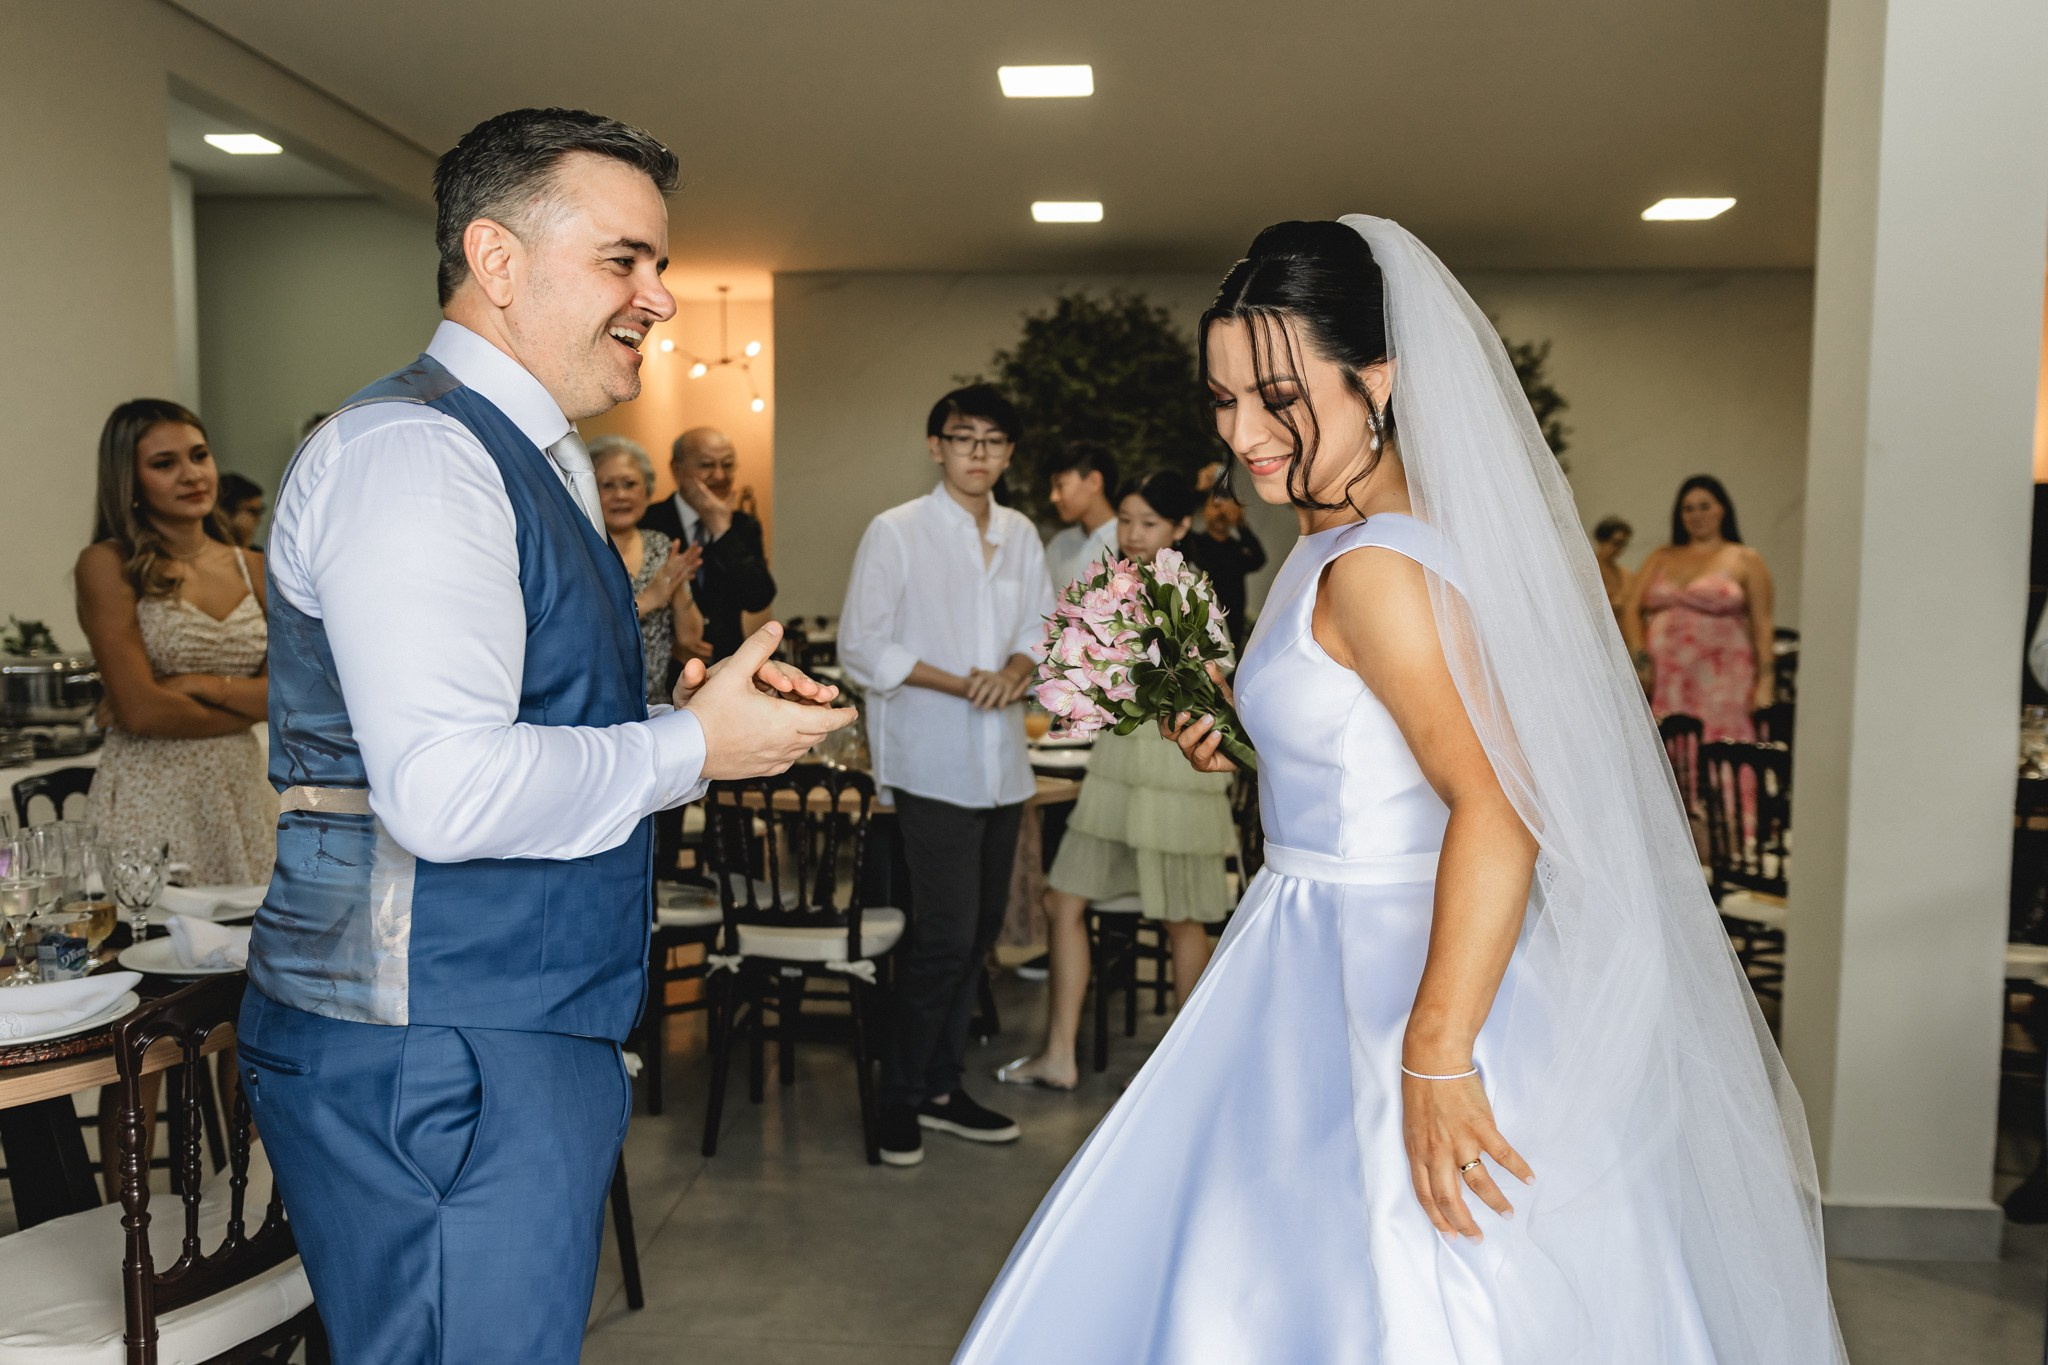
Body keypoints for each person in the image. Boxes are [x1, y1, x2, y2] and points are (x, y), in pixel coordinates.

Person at [953, 219, 1843, 1363]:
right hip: (1310, 945)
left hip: (1385, 970)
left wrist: (1434, 1054)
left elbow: (1496, 804)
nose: (1242, 436)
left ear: (1375, 380)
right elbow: (1376, 753)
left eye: (1277, 397)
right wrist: (1247, 729)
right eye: (1222, 401)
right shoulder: (1343, 538)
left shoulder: (1378, 565)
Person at [235, 108, 853, 1365]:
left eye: (659, 266)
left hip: (513, 1019)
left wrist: (679, 718)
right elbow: (447, 793)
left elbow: (513, 729)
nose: (661, 299)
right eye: (625, 261)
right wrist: (691, 753)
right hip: (436, 1041)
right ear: (496, 258)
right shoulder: (415, 454)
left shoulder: (534, 457)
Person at [839, 383, 1055, 1167]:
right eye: (965, 439)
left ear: (1008, 453)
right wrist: (964, 680)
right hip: (931, 760)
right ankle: (900, 1095)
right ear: (938, 446)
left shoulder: (1022, 530)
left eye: (995, 442)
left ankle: (941, 1085)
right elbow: (861, 648)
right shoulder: (896, 531)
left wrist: (1017, 667)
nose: (979, 455)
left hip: (1003, 764)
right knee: (941, 936)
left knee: (978, 940)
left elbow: (1044, 626)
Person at [994, 470, 1236, 1092]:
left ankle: (1188, 1073)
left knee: (1182, 919)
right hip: (1118, 764)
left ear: (1180, 528)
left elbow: (1217, 682)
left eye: (1147, 523)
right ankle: (1059, 1056)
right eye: (1125, 519)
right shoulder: (1110, 585)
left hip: (1179, 767)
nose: (1131, 533)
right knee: (1062, 898)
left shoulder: (1192, 589)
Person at [75, 400, 274, 884]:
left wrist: (195, 684)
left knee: (257, 950)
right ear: (131, 481)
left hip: (243, 792)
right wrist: (251, 701)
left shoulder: (255, 568)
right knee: (152, 946)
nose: (192, 475)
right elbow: (143, 713)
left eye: (199, 455)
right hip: (151, 796)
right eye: (165, 464)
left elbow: (299, 695)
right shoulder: (108, 564)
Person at [1620, 476, 1776, 741]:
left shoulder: (1745, 559)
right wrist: (1640, 658)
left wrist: (1766, 682)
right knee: (1667, 745)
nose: (1696, 515)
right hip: (1665, 677)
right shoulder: (1661, 556)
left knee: (1719, 748)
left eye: (1705, 506)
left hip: (1724, 676)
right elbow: (1631, 607)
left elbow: (1763, 623)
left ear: (1722, 509)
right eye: (1688, 508)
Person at [639, 425, 776, 662]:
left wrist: (721, 530)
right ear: (677, 469)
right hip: (664, 669)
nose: (720, 476)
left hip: (726, 664)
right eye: (707, 465)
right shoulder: (648, 522)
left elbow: (759, 597)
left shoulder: (743, 526)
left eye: (727, 464)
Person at [591, 433, 705, 702]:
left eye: (630, 484)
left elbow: (691, 641)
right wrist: (650, 598)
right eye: (607, 485)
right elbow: (585, 632)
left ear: (647, 490)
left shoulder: (661, 545)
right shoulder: (581, 547)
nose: (621, 495)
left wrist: (676, 588)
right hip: (597, 707)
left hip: (655, 706)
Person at [1182, 459, 1267, 648]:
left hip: (1232, 628)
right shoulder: (1195, 543)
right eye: (1215, 506)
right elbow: (1181, 528)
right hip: (1199, 623)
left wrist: (1241, 522)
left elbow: (1259, 559)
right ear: (1205, 510)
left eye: (1225, 508)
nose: (1220, 513)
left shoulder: (1237, 548)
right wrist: (1198, 491)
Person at [1042, 439, 1121, 588]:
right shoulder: (1060, 544)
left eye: (1060, 485)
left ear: (1094, 481)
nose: (1053, 497)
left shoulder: (1127, 543)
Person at [1592, 513, 1632, 618]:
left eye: (1623, 544)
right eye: (1616, 543)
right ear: (1601, 540)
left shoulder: (1625, 574)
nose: (1619, 549)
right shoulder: (1587, 570)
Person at [216, 471, 265, 550]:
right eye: (253, 512)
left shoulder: (260, 556)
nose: (259, 520)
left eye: (260, 511)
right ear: (225, 513)